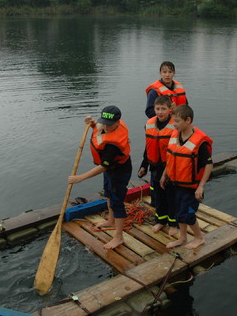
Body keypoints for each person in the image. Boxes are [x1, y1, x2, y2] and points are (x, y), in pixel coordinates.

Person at [68, 105, 132, 250]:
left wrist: (80, 178)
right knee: (108, 194)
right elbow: (99, 129)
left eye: (110, 124)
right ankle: (111, 220)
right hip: (110, 171)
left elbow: (104, 166)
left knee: (117, 202)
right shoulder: (106, 125)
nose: (106, 126)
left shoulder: (113, 145)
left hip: (119, 171)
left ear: (118, 122)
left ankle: (119, 237)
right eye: (104, 122)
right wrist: (91, 123)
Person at [160, 104, 213, 250]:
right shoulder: (175, 135)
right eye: (173, 121)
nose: (174, 124)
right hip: (175, 183)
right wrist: (164, 175)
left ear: (188, 120)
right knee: (178, 213)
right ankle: (182, 238)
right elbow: (171, 157)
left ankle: (199, 238)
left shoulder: (199, 142)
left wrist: (201, 186)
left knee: (187, 215)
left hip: (190, 187)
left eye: (177, 121)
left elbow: (209, 165)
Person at [138, 95, 179, 236]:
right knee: (159, 196)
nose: (160, 112)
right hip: (155, 167)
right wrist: (143, 165)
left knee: (171, 195)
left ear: (170, 109)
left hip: (171, 167)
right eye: (157, 109)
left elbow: (177, 151)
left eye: (163, 109)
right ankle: (161, 220)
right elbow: (148, 147)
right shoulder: (149, 124)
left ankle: (174, 223)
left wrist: (166, 173)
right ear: (154, 109)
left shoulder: (175, 126)